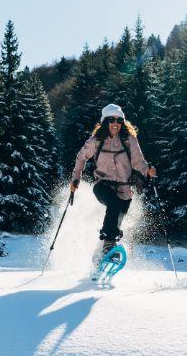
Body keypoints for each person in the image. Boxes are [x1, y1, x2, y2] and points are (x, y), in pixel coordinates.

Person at [69, 103, 157, 259]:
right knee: (113, 204)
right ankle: (109, 245)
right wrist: (76, 178)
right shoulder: (96, 141)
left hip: (124, 188)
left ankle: (101, 253)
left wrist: (148, 170)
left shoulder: (129, 140)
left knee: (116, 222)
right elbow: (81, 157)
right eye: (111, 120)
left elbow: (138, 162)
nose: (115, 124)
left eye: (119, 120)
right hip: (102, 184)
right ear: (105, 121)